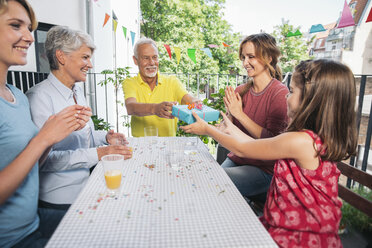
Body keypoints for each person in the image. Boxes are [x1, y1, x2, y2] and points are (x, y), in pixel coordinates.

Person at [181, 59, 357, 247]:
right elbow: (260, 145)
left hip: (300, 235)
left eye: (292, 91)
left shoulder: (300, 141)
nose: (286, 97)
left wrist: (207, 129)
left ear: (311, 100)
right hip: (295, 224)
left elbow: (243, 149)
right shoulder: (311, 139)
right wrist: (230, 128)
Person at [0, 1, 91, 247]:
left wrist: (51, 139)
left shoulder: (16, 96)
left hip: (32, 222)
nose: (29, 37)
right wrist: (44, 139)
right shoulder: (36, 96)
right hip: (11, 238)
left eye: (29, 29)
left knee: (106, 228)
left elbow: (33, 163)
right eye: (16, 25)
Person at [26, 25, 133, 210]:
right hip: (59, 202)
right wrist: (99, 154)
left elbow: (81, 137)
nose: (90, 65)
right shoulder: (39, 97)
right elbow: (43, 160)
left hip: (86, 188)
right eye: (85, 57)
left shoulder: (77, 90)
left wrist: (105, 138)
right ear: (61, 57)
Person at [221, 33, 289, 202]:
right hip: (238, 159)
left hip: (264, 169)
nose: (245, 63)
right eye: (243, 57)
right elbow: (229, 128)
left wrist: (239, 114)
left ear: (269, 58)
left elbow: (274, 143)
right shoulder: (240, 91)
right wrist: (219, 126)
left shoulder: (280, 94)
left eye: (251, 57)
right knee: (209, 176)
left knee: (215, 182)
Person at [122, 37, 200, 137]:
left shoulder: (172, 81)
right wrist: (155, 109)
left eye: (155, 57)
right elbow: (131, 107)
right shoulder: (130, 83)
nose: (151, 62)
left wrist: (195, 102)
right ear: (135, 60)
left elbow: (186, 98)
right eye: (146, 58)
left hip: (169, 145)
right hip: (141, 146)